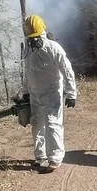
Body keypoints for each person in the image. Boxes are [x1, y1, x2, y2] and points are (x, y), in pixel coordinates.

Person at [22, 14, 78, 173]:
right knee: (37, 125)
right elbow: (28, 72)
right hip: (35, 95)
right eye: (31, 37)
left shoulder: (53, 48)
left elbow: (67, 70)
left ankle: (55, 159)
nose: (34, 40)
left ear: (42, 33)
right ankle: (40, 157)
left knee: (53, 124)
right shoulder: (28, 50)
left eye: (36, 37)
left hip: (52, 93)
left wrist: (71, 93)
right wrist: (25, 91)